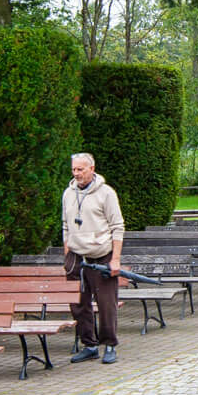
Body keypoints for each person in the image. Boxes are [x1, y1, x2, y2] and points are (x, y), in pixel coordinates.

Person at [61, 152, 124, 364]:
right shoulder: (68, 194)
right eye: (74, 169)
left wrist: (115, 259)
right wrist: (67, 254)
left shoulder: (106, 193)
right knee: (79, 305)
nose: (76, 173)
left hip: (101, 256)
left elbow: (117, 227)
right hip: (76, 258)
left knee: (106, 304)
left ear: (92, 169)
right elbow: (65, 225)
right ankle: (89, 345)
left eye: (80, 169)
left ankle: (110, 345)